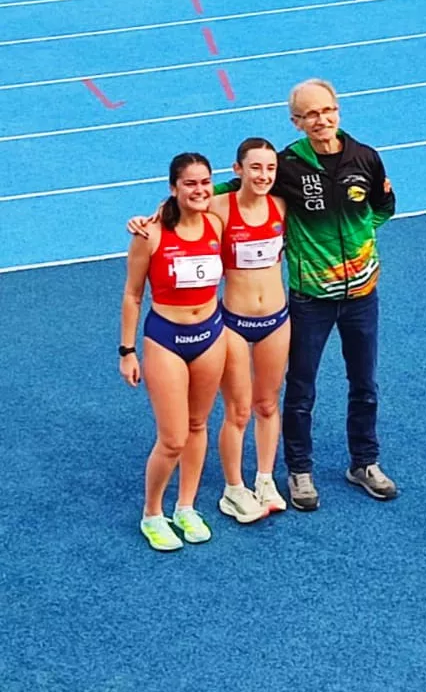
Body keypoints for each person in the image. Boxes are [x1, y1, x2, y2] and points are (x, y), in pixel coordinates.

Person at [128, 79, 397, 512]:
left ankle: (361, 462)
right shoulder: (286, 165)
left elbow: (382, 206)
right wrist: (162, 209)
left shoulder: (365, 158)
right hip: (301, 300)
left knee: (361, 385)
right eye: (310, 114)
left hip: (358, 294)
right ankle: (291, 474)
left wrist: (359, 243)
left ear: (338, 110)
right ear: (296, 121)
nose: (321, 120)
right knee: (290, 392)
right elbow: (208, 194)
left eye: (326, 110)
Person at [120, 152, 227, 551]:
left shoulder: (217, 222)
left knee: (198, 426)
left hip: (210, 336)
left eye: (205, 183)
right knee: (173, 437)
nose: (200, 190)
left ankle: (186, 506)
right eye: (190, 184)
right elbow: (132, 296)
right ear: (173, 188)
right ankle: (152, 512)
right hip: (166, 339)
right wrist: (127, 350)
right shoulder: (149, 234)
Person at [210, 138, 289, 523]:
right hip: (234, 324)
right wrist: (151, 218)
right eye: (255, 167)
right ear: (238, 169)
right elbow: (179, 215)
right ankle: (233, 488)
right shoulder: (219, 208)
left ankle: (264, 479)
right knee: (238, 410)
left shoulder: (282, 205)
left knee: (268, 404)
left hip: (276, 320)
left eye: (270, 169)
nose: (264, 175)